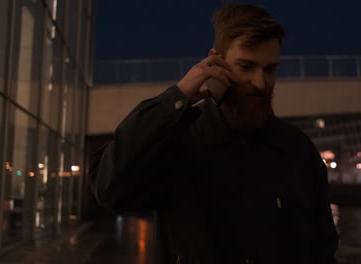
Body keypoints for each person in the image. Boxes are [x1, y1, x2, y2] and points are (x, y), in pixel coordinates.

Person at [90, 4, 338, 264]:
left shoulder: (297, 151)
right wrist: (175, 99)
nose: (260, 82)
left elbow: (322, 249)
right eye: (246, 66)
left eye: (270, 69)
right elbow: (110, 190)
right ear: (216, 61)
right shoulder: (180, 141)